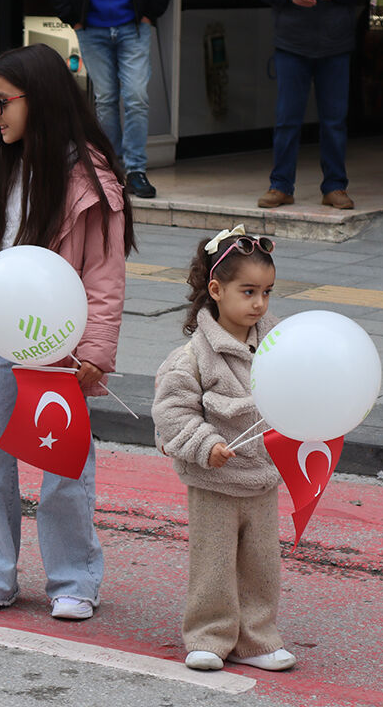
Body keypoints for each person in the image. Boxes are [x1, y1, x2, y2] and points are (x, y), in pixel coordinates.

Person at [0, 44, 134, 621]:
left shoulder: (90, 180)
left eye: (1, 102)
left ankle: (74, 580)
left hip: (58, 346)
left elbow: (105, 276)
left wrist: (94, 351)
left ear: (37, 100)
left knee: (64, 464)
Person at [151, 225, 296, 672]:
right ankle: (209, 635)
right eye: (248, 291)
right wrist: (207, 443)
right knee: (213, 563)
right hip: (214, 480)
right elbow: (171, 415)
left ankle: (256, 639)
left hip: (262, 479)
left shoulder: (281, 345)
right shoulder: (192, 357)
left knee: (261, 565)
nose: (259, 303)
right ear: (216, 290)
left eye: (267, 292)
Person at [53, 0, 175, 199]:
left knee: (136, 98)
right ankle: (111, 168)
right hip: (91, 28)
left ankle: (136, 170)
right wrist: (73, 19)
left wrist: (149, 14)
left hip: (134, 26)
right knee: (106, 99)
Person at [255, 0, 368, 211]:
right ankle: (280, 186)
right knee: (287, 119)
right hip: (291, 43)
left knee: (334, 121)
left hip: (336, 44)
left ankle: (335, 187)